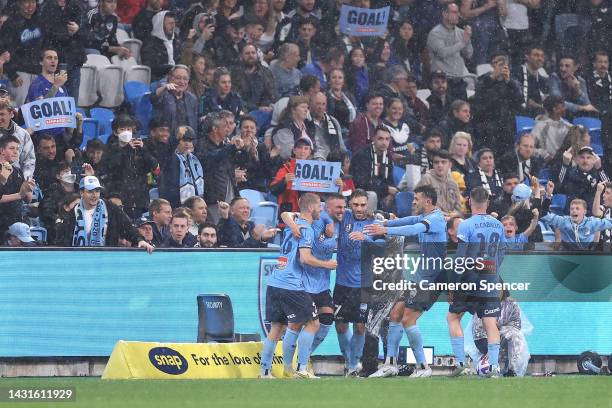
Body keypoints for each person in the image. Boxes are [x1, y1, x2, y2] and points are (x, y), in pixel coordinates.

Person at [365, 185, 447, 378]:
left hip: (432, 279)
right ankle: (390, 365)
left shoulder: (435, 219)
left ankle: (423, 367)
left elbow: (413, 229)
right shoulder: (424, 216)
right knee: (394, 315)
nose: (413, 202)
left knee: (408, 319)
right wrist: (386, 221)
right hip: (419, 277)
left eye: (416, 199)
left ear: (427, 201)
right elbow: (408, 221)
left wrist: (384, 229)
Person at [259, 193, 335, 379]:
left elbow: (285, 214)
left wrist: (292, 224)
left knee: (277, 328)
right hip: (291, 285)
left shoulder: (291, 226)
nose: (321, 209)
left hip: (275, 282)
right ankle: (302, 368)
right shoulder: (306, 230)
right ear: (311, 208)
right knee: (313, 323)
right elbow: (305, 258)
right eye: (319, 206)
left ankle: (265, 372)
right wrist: (328, 264)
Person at [448, 187, 506, 377]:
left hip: (469, 280)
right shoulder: (498, 225)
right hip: (490, 279)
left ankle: (461, 364)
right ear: (488, 203)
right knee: (490, 323)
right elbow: (501, 252)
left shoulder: (466, 225)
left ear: (470, 201)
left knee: (453, 318)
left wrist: (453, 284)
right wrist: (493, 270)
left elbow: (460, 257)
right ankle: (495, 368)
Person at [333, 189, 375, 377]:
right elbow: (328, 206)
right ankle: (350, 362)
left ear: (368, 204)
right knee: (340, 325)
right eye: (356, 204)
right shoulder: (343, 217)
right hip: (342, 282)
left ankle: (352, 364)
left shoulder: (375, 222)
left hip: (363, 283)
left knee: (360, 326)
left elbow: (383, 245)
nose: (359, 208)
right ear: (350, 204)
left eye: (363, 205)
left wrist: (365, 238)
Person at [57, 175, 153, 252]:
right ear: (82, 193)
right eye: (90, 191)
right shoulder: (73, 213)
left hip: (106, 259)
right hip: (80, 261)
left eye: (97, 191)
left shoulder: (111, 208)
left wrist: (139, 240)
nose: (94, 195)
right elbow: (64, 240)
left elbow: (127, 227)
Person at [104, 115, 160, 219]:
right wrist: (126, 149)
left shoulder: (140, 148)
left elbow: (156, 169)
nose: (126, 132)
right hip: (120, 200)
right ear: (116, 132)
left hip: (140, 200)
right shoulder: (110, 149)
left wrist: (144, 150)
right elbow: (112, 167)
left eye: (128, 129)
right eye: (122, 129)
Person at [473, 51, 524, 155]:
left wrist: (508, 81)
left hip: (507, 127)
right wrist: (493, 77)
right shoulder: (484, 80)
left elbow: (520, 101)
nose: (500, 66)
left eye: (503, 63)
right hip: (488, 126)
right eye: (497, 63)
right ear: (492, 65)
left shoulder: (513, 82)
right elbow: (479, 99)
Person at [196, 112, 243, 223]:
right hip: (213, 199)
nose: (228, 129)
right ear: (215, 129)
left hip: (230, 195)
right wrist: (231, 148)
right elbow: (210, 159)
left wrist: (243, 150)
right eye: (224, 126)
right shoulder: (201, 144)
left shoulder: (225, 146)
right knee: (217, 229)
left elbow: (239, 163)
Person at [0, 0, 45, 106]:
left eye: (33, 2)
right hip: (19, 74)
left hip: (36, 72)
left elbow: (45, 47)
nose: (30, 6)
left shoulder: (39, 22)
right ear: (20, 4)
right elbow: (3, 51)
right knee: (16, 109)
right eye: (26, 2)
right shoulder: (11, 23)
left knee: (34, 111)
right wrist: (12, 74)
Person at [540, 184, 612, 250]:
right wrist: (549, 195)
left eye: (577, 208)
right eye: (572, 209)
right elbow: (543, 214)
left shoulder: (591, 223)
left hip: (588, 258)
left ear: (585, 212)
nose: (574, 211)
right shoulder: (564, 221)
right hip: (568, 258)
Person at [40, 0, 86, 101]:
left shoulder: (78, 6)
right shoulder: (47, 6)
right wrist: (67, 33)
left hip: (74, 61)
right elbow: (46, 31)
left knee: (71, 102)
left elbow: (88, 34)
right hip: (54, 62)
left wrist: (78, 30)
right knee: (52, 101)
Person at [426, 3, 473, 101]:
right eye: (454, 12)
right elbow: (442, 53)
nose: (458, 15)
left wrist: (468, 40)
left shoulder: (461, 32)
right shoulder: (435, 33)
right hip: (442, 82)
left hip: (459, 80)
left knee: (462, 112)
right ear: (444, 14)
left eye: (458, 12)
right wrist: (463, 42)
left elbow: (469, 54)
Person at [351, 126, 396, 212]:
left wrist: (390, 194)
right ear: (373, 138)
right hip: (360, 192)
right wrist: (386, 190)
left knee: (397, 196)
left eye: (387, 139)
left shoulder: (388, 156)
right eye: (380, 139)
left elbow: (390, 181)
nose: (384, 142)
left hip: (380, 191)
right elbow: (362, 184)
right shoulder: (363, 155)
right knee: (372, 195)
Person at [159, 126, 204, 209]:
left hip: (194, 206)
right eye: (184, 140)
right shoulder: (172, 158)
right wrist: (176, 138)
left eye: (190, 140)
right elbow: (167, 153)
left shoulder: (194, 159)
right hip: (175, 205)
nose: (187, 143)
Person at [233, 115, 281, 192]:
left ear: (256, 130)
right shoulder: (233, 145)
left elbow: (267, 172)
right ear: (240, 129)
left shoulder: (261, 147)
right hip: (238, 187)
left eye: (252, 128)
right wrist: (245, 150)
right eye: (246, 127)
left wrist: (272, 157)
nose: (249, 130)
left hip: (258, 188)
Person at [557, 146, 609, 215]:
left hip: (592, 217)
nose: (585, 161)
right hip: (571, 215)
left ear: (594, 160)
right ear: (577, 160)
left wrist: (599, 168)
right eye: (582, 157)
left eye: (588, 157)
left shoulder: (598, 174)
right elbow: (559, 185)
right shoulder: (570, 172)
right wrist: (565, 164)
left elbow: (609, 188)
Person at [151, 65, 199, 139]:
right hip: (167, 139)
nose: (182, 82)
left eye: (185, 79)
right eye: (178, 78)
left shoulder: (192, 99)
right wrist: (164, 87)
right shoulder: (163, 95)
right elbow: (153, 98)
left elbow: (194, 125)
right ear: (170, 78)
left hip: (186, 141)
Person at [0, 135, 34, 236]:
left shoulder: (18, 171)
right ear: (2, 150)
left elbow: (28, 199)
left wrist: (28, 189)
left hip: (16, 222)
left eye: (18, 149)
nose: (16, 152)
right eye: (12, 148)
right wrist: (20, 194)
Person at [230, 43, 277, 113]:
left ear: (257, 55)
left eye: (253, 53)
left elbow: (270, 93)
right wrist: (256, 108)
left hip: (264, 111)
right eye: (247, 53)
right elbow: (235, 97)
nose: (251, 55)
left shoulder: (266, 72)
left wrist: (264, 107)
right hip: (242, 111)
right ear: (241, 56)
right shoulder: (234, 74)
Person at [416, 150, 463, 214]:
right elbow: (420, 206)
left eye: (443, 162)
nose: (440, 165)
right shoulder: (427, 179)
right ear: (433, 164)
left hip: (450, 219)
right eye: (436, 162)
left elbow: (458, 208)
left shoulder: (453, 182)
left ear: (450, 165)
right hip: (430, 218)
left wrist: (453, 215)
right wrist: (443, 215)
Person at [141, 11, 181, 81]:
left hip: (177, 77)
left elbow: (180, 60)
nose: (173, 26)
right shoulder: (150, 42)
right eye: (170, 23)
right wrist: (170, 68)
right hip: (158, 79)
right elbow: (150, 66)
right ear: (160, 25)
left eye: (174, 23)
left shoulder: (176, 40)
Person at [0, 100, 35, 179]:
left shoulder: (23, 134)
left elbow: (29, 160)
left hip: (17, 180)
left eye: (2, 114)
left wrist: (27, 179)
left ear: (11, 114)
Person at [512, 44, 549, 117]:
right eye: (536, 55)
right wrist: (541, 108)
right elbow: (521, 97)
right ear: (527, 57)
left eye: (542, 56)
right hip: (521, 115)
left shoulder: (543, 79)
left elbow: (547, 97)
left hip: (539, 115)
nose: (540, 58)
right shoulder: (517, 72)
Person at [271, 95, 312, 160]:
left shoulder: (309, 127)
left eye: (307, 108)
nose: (306, 110)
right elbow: (287, 154)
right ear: (293, 110)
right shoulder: (284, 128)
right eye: (303, 107)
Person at [307, 91, 345, 161]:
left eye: (323, 104)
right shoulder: (304, 120)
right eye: (318, 104)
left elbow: (341, 148)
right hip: (310, 163)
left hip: (331, 163)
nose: (320, 107)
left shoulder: (333, 122)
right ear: (310, 104)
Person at [531, 95, 571, 160]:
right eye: (563, 106)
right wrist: (544, 154)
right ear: (554, 109)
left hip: (566, 164)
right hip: (547, 166)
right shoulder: (540, 126)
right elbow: (529, 148)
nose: (565, 108)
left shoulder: (569, 127)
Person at [325, 68, 357, 133]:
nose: (337, 80)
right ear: (329, 80)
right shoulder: (325, 97)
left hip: (350, 133)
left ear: (343, 81)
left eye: (340, 78)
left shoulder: (350, 97)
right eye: (334, 77)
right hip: (333, 132)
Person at [586, 51, 611, 116]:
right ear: (594, 64)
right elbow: (593, 100)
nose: (603, 65)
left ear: (608, 64)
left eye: (605, 62)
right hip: (597, 114)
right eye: (600, 62)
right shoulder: (589, 78)